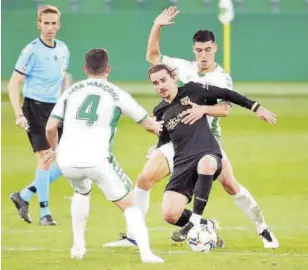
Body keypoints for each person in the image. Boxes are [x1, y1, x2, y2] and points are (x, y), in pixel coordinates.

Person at [103, 6, 279, 248]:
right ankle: (136, 236)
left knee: (230, 185)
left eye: (207, 50)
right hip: (178, 140)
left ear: (215, 49)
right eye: (199, 50)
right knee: (144, 178)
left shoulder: (221, 78)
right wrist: (157, 25)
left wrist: (202, 110)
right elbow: (153, 57)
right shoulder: (183, 68)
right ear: (193, 50)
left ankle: (263, 229)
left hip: (207, 137)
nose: (203, 55)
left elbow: (225, 110)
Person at [45, 48, 164, 263]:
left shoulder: (70, 91)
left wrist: (56, 151)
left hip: (67, 161)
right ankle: (146, 254)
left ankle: (78, 248)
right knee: (129, 204)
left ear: (85, 69)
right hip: (98, 161)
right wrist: (160, 128)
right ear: (108, 68)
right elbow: (148, 124)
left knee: (81, 192)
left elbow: (51, 127)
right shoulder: (117, 93)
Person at [152, 64, 276, 242]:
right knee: (170, 214)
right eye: (155, 83)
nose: (160, 86)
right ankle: (206, 225)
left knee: (214, 170)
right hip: (182, 161)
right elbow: (165, 138)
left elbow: (226, 95)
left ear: (173, 77)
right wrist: (156, 149)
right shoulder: (159, 111)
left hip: (207, 151)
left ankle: (262, 229)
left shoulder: (192, 89)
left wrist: (256, 108)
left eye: (163, 80)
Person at [9, 5, 71, 225]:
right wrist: (18, 114)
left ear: (59, 25)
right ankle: (45, 213)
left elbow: (64, 78)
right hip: (34, 108)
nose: (50, 27)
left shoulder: (63, 49)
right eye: (46, 23)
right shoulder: (31, 51)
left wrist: (66, 102)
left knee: (66, 161)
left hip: (55, 110)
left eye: (54, 23)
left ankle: (24, 195)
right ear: (39, 25)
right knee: (45, 159)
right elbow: (14, 83)